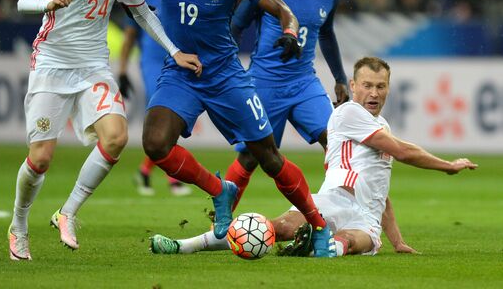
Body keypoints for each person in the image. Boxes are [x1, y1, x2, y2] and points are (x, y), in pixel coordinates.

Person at [7, 0, 201, 261]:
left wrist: (174, 51)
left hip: (94, 66)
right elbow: (24, 1)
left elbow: (140, 12)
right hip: (52, 65)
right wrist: (49, 2)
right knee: (41, 159)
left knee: (116, 137)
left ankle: (67, 212)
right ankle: (18, 224)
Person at [137, 0, 336, 257]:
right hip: (181, 73)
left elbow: (281, 9)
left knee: (268, 158)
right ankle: (219, 189)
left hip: (226, 76)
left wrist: (290, 31)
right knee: (154, 143)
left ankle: (318, 225)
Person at [149, 56, 478, 257]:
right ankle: (187, 245)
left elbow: (379, 189)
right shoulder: (349, 112)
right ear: (352, 85)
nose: (374, 93)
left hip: (365, 216)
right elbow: (403, 152)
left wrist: (397, 240)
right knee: (277, 228)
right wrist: (447, 165)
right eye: (367, 85)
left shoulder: (380, 124)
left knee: (351, 240)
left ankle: (317, 248)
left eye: (381, 86)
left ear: (389, 88)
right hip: (333, 200)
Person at [225, 0, 349, 211]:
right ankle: (221, 220)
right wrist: (230, 66)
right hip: (265, 84)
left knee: (337, 144)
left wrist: (340, 78)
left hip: (305, 82)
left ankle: (339, 212)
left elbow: (327, 34)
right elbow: (236, 26)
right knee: (250, 157)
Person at [118, 0, 191, 196]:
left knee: (173, 119)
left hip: (177, 61)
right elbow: (130, 35)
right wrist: (122, 71)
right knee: (163, 114)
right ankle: (173, 178)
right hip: (153, 62)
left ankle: (144, 171)